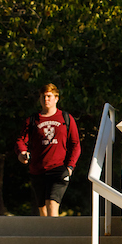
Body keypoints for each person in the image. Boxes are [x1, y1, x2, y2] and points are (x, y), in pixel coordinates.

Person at [16, 83, 81, 217]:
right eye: (43, 97)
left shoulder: (66, 118)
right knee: (43, 210)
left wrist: (70, 166)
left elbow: (75, 144)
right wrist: (21, 153)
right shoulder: (33, 120)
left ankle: (56, 237)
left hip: (58, 168)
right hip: (38, 169)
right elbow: (21, 140)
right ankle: (46, 236)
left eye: (49, 96)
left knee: (52, 205)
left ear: (56, 98)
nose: (46, 99)